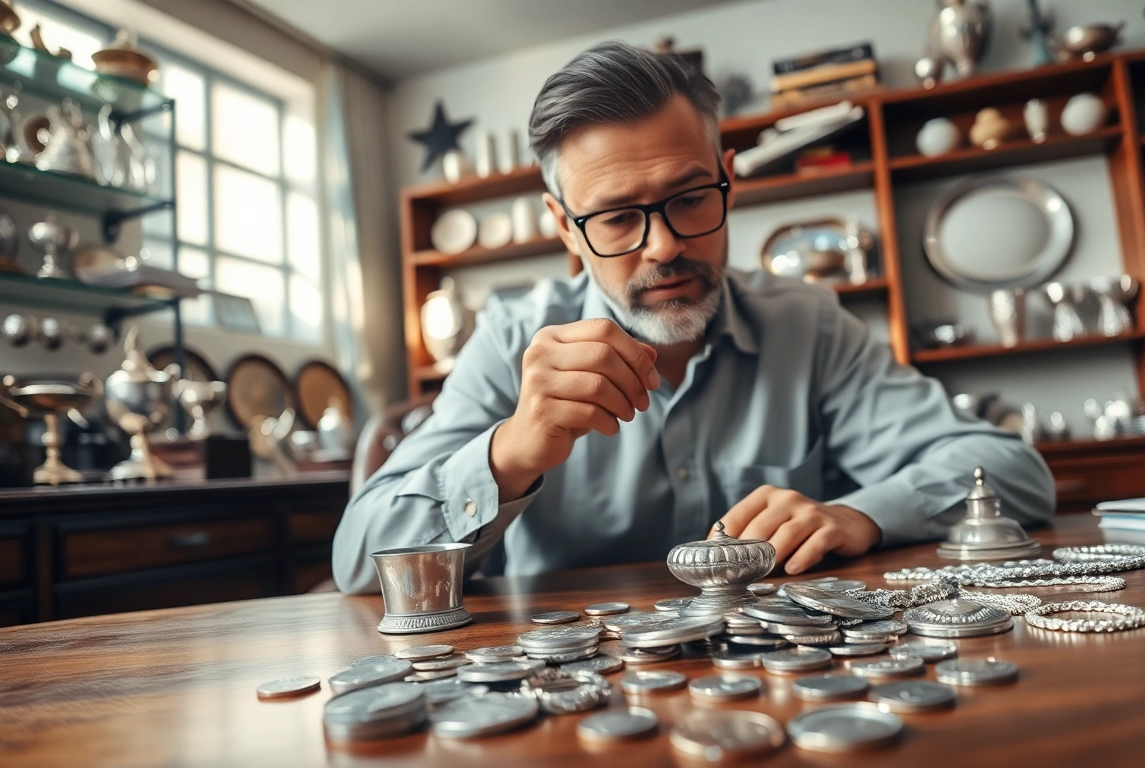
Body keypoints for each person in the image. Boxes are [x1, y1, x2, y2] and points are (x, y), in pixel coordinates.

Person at [332, 41, 1054, 593]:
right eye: (617, 218)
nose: (667, 245)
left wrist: (859, 514)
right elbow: (357, 560)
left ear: (730, 182)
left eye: (689, 197)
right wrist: (512, 452)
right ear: (564, 227)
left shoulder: (811, 327)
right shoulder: (511, 340)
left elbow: (1016, 476)